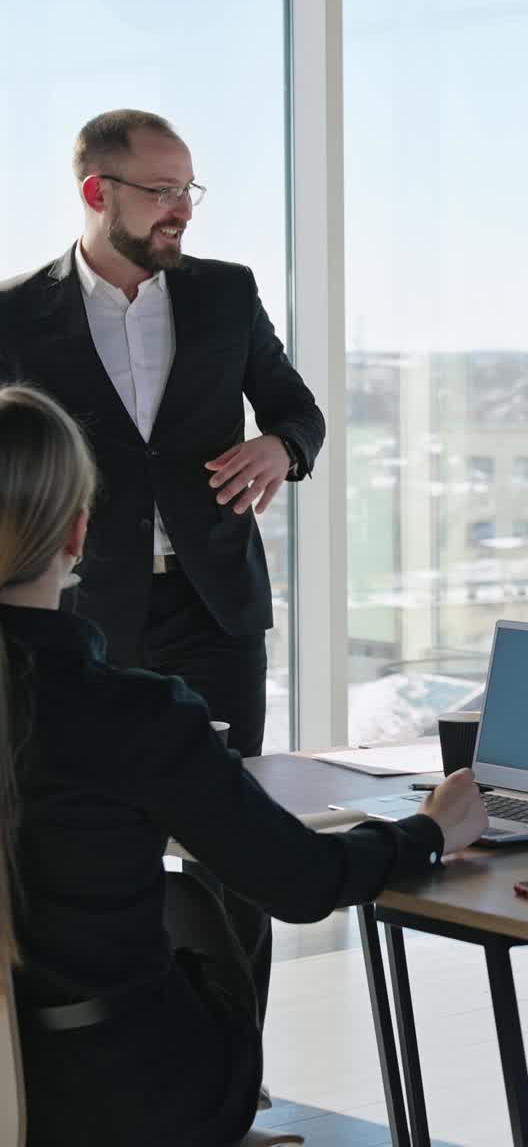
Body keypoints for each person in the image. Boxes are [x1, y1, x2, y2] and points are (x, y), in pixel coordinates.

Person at [0, 383, 489, 1145]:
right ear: (77, 534)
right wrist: (428, 833)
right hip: (118, 1096)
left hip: (28, 1077)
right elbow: (299, 881)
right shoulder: (132, 715)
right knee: (191, 904)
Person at [0, 108, 325, 1034]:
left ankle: (236, 1072)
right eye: (161, 191)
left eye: (190, 189)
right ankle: (114, 1060)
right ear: (98, 193)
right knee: (90, 843)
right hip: (81, 620)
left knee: (236, 845)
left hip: (213, 605)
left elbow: (299, 410)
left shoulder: (226, 293)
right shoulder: (17, 312)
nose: (182, 209)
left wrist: (279, 451)